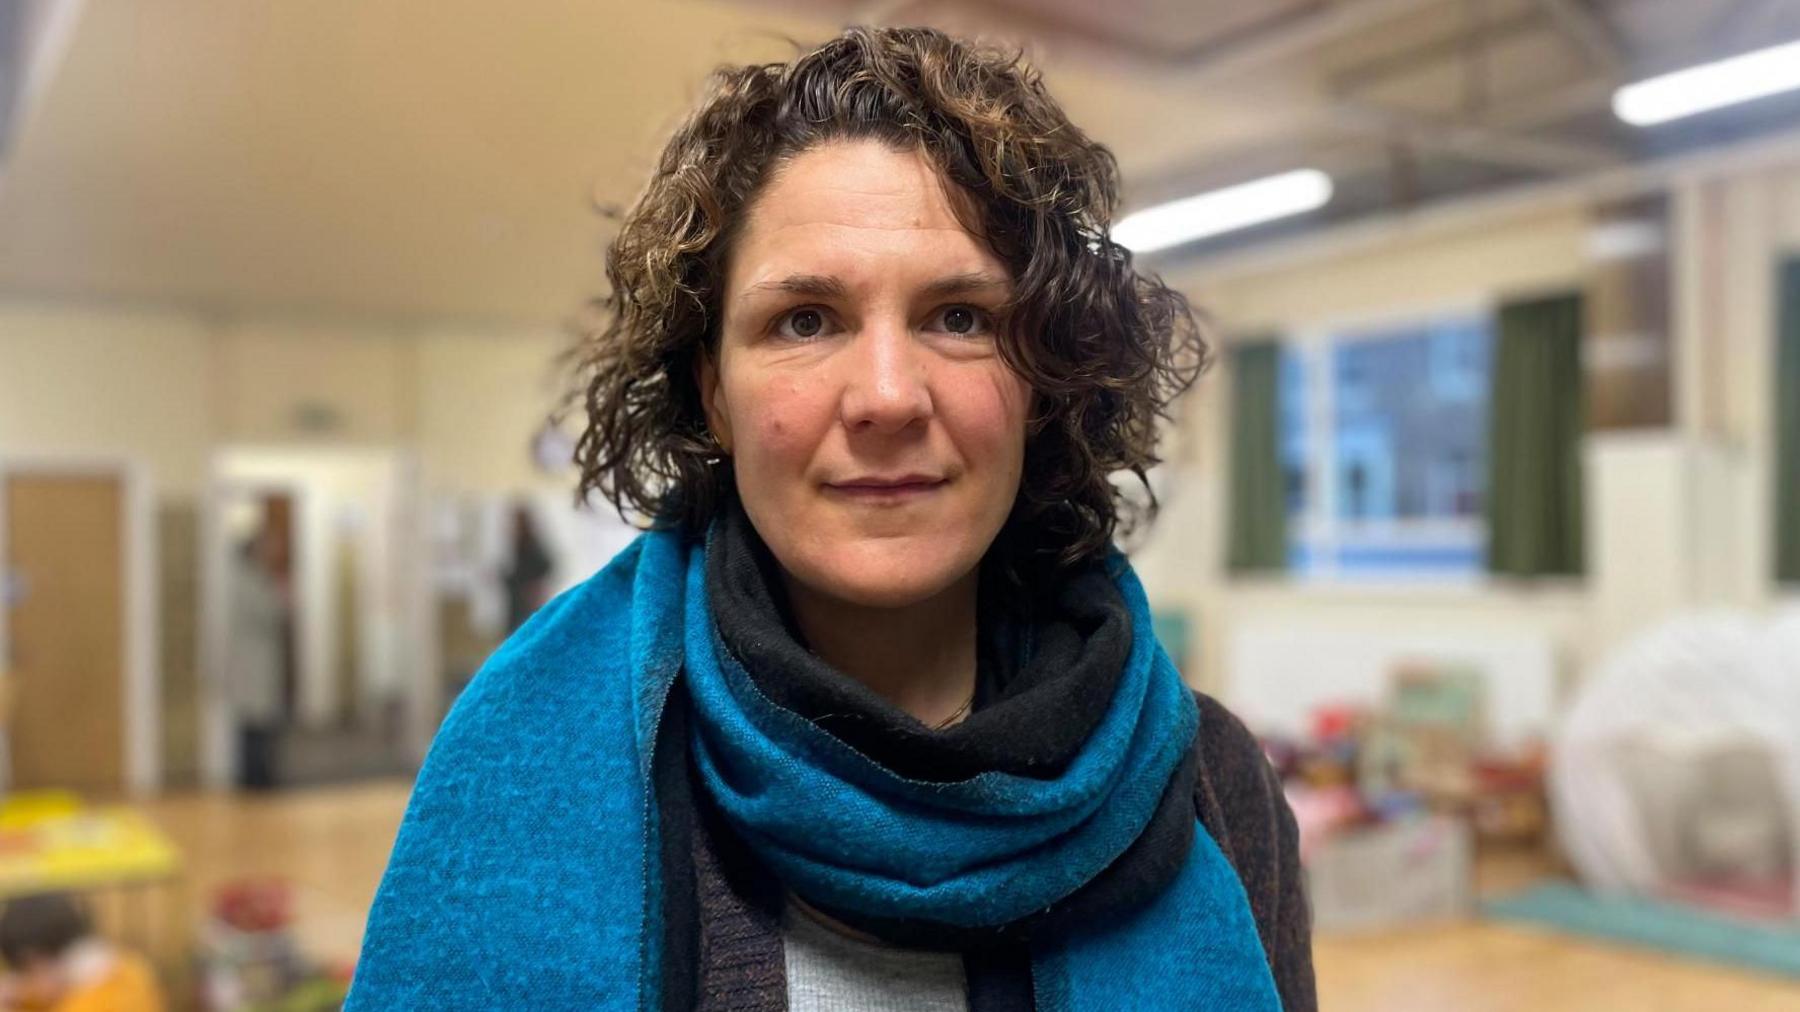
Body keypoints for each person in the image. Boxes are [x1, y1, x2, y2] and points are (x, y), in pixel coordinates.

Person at [349, 25, 1313, 1011]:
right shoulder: (516, 776)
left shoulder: (1216, 797)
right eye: (805, 319)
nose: (888, 396)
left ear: (1042, 382)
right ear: (714, 391)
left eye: (960, 317)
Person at [0, 893, 164, 1012]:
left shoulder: (96, 1002)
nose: (28, 981)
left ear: (34, 959)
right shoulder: (126, 970)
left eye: (26, 972)